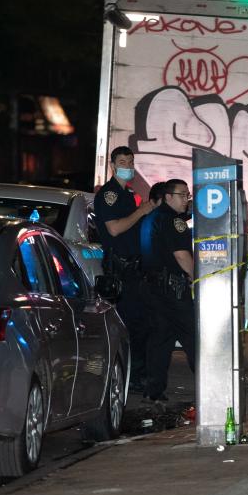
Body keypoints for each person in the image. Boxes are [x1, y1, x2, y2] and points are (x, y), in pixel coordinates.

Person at [94, 146, 154, 393]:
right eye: (122, 161)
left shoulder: (128, 194)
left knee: (140, 323)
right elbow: (115, 229)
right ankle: (131, 378)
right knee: (131, 324)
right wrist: (141, 211)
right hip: (119, 268)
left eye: (130, 161)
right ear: (112, 165)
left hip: (133, 267)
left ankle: (135, 375)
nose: (128, 166)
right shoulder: (110, 195)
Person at [142, 178, 196, 402]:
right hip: (173, 288)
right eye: (182, 195)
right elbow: (181, 254)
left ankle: (153, 391)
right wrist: (196, 278)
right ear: (168, 197)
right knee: (193, 336)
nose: (186, 199)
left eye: (188, 195)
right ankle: (210, 386)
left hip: (153, 288)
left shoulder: (151, 218)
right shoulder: (175, 222)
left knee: (160, 339)